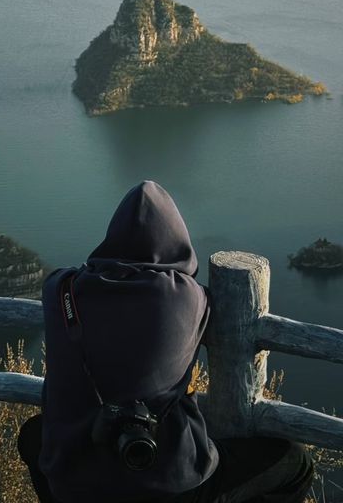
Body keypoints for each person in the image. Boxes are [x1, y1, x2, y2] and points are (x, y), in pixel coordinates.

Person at [18, 180, 314, 503]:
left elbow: (60, 277)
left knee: (33, 435)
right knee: (294, 462)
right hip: (174, 485)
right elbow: (194, 287)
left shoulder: (61, 292)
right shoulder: (187, 299)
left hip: (75, 483)